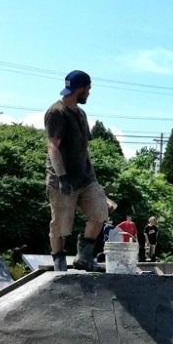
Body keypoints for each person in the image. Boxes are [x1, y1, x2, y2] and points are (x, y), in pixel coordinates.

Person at [45, 70, 108, 272]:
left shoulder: (81, 114)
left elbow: (83, 148)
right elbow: (53, 146)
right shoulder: (57, 112)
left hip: (85, 178)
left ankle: (84, 257)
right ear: (80, 89)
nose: (89, 93)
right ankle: (59, 262)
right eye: (88, 89)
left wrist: (93, 178)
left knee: (100, 214)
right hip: (61, 179)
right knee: (61, 226)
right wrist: (62, 177)